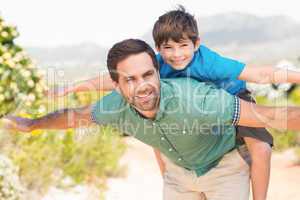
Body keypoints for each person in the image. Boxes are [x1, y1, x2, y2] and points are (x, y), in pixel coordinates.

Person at [47, 7, 300, 200]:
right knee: (158, 135)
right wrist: (73, 86)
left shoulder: (207, 61)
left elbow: (260, 74)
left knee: (261, 150)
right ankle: (177, 183)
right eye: (168, 48)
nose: (177, 54)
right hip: (189, 110)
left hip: (231, 98)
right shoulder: (158, 63)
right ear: (158, 48)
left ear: (196, 44)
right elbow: (115, 78)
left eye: (183, 46)